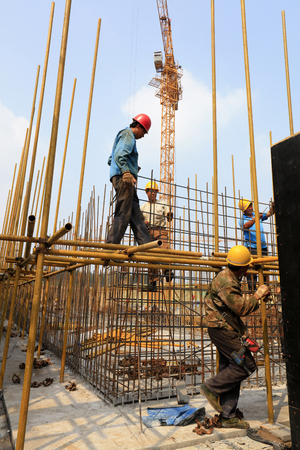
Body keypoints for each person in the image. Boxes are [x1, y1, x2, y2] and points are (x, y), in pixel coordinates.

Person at [201, 245, 270, 429]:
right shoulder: (227, 281)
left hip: (227, 329)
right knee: (245, 365)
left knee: (231, 369)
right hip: (221, 329)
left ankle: (227, 415)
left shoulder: (230, 277)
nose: (248, 271)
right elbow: (241, 308)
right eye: (247, 267)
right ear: (243, 267)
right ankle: (212, 387)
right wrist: (259, 294)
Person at [106, 114, 152, 246]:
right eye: (144, 131)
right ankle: (110, 247)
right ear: (138, 126)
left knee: (136, 215)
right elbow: (120, 155)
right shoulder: (128, 135)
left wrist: (131, 167)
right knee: (123, 214)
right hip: (124, 179)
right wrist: (126, 172)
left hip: (124, 179)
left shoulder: (124, 136)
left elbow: (111, 159)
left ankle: (146, 247)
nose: (143, 135)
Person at [140, 181, 174, 290]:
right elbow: (139, 222)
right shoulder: (143, 207)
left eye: (155, 191)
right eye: (151, 191)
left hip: (161, 231)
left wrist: (169, 215)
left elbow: (169, 218)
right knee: (151, 257)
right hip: (148, 232)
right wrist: (143, 223)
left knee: (164, 249)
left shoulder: (162, 204)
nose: (153, 193)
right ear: (147, 193)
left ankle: (167, 272)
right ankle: (152, 282)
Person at [239, 198, 275, 291]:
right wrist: (256, 219)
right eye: (248, 206)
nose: (251, 207)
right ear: (244, 209)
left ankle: (265, 289)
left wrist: (273, 207)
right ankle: (252, 291)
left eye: (251, 205)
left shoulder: (256, 215)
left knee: (266, 268)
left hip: (263, 246)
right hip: (252, 247)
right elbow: (246, 226)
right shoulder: (242, 219)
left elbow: (269, 213)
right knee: (252, 270)